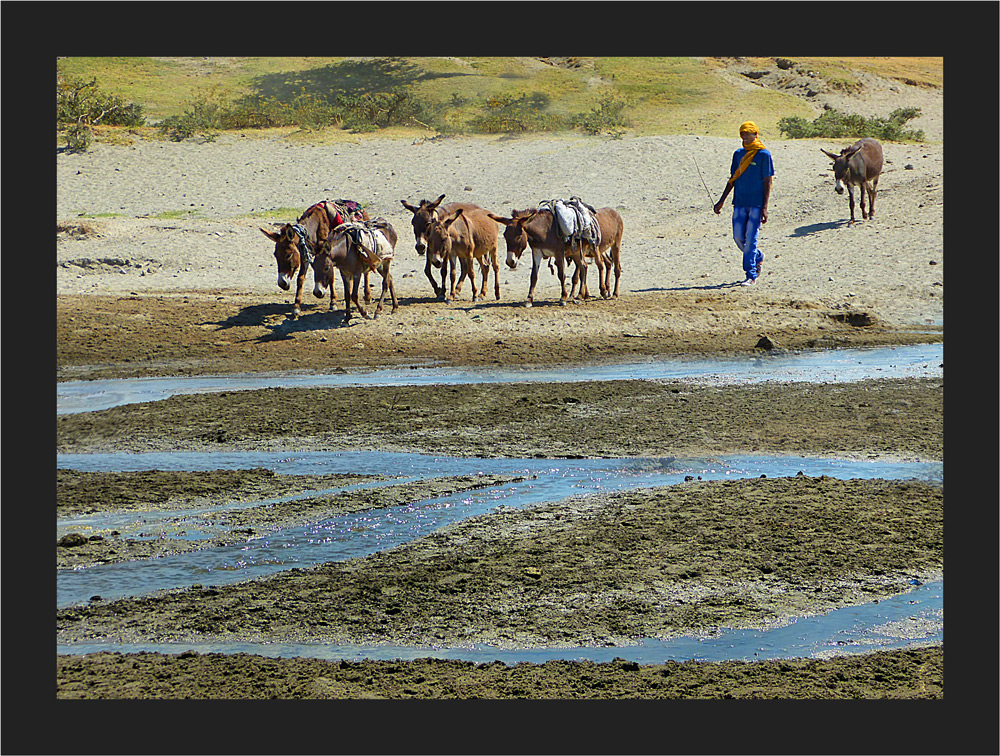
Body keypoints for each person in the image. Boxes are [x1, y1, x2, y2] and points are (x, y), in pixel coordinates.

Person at [714, 121, 774, 286]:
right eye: (743, 134)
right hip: (739, 202)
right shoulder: (738, 154)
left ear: (756, 134)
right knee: (738, 238)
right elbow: (733, 178)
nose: (745, 136)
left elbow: (767, 182)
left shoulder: (764, 155)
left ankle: (751, 275)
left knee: (751, 239)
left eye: (748, 133)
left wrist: (765, 207)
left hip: (756, 204)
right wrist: (721, 201)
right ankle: (758, 257)